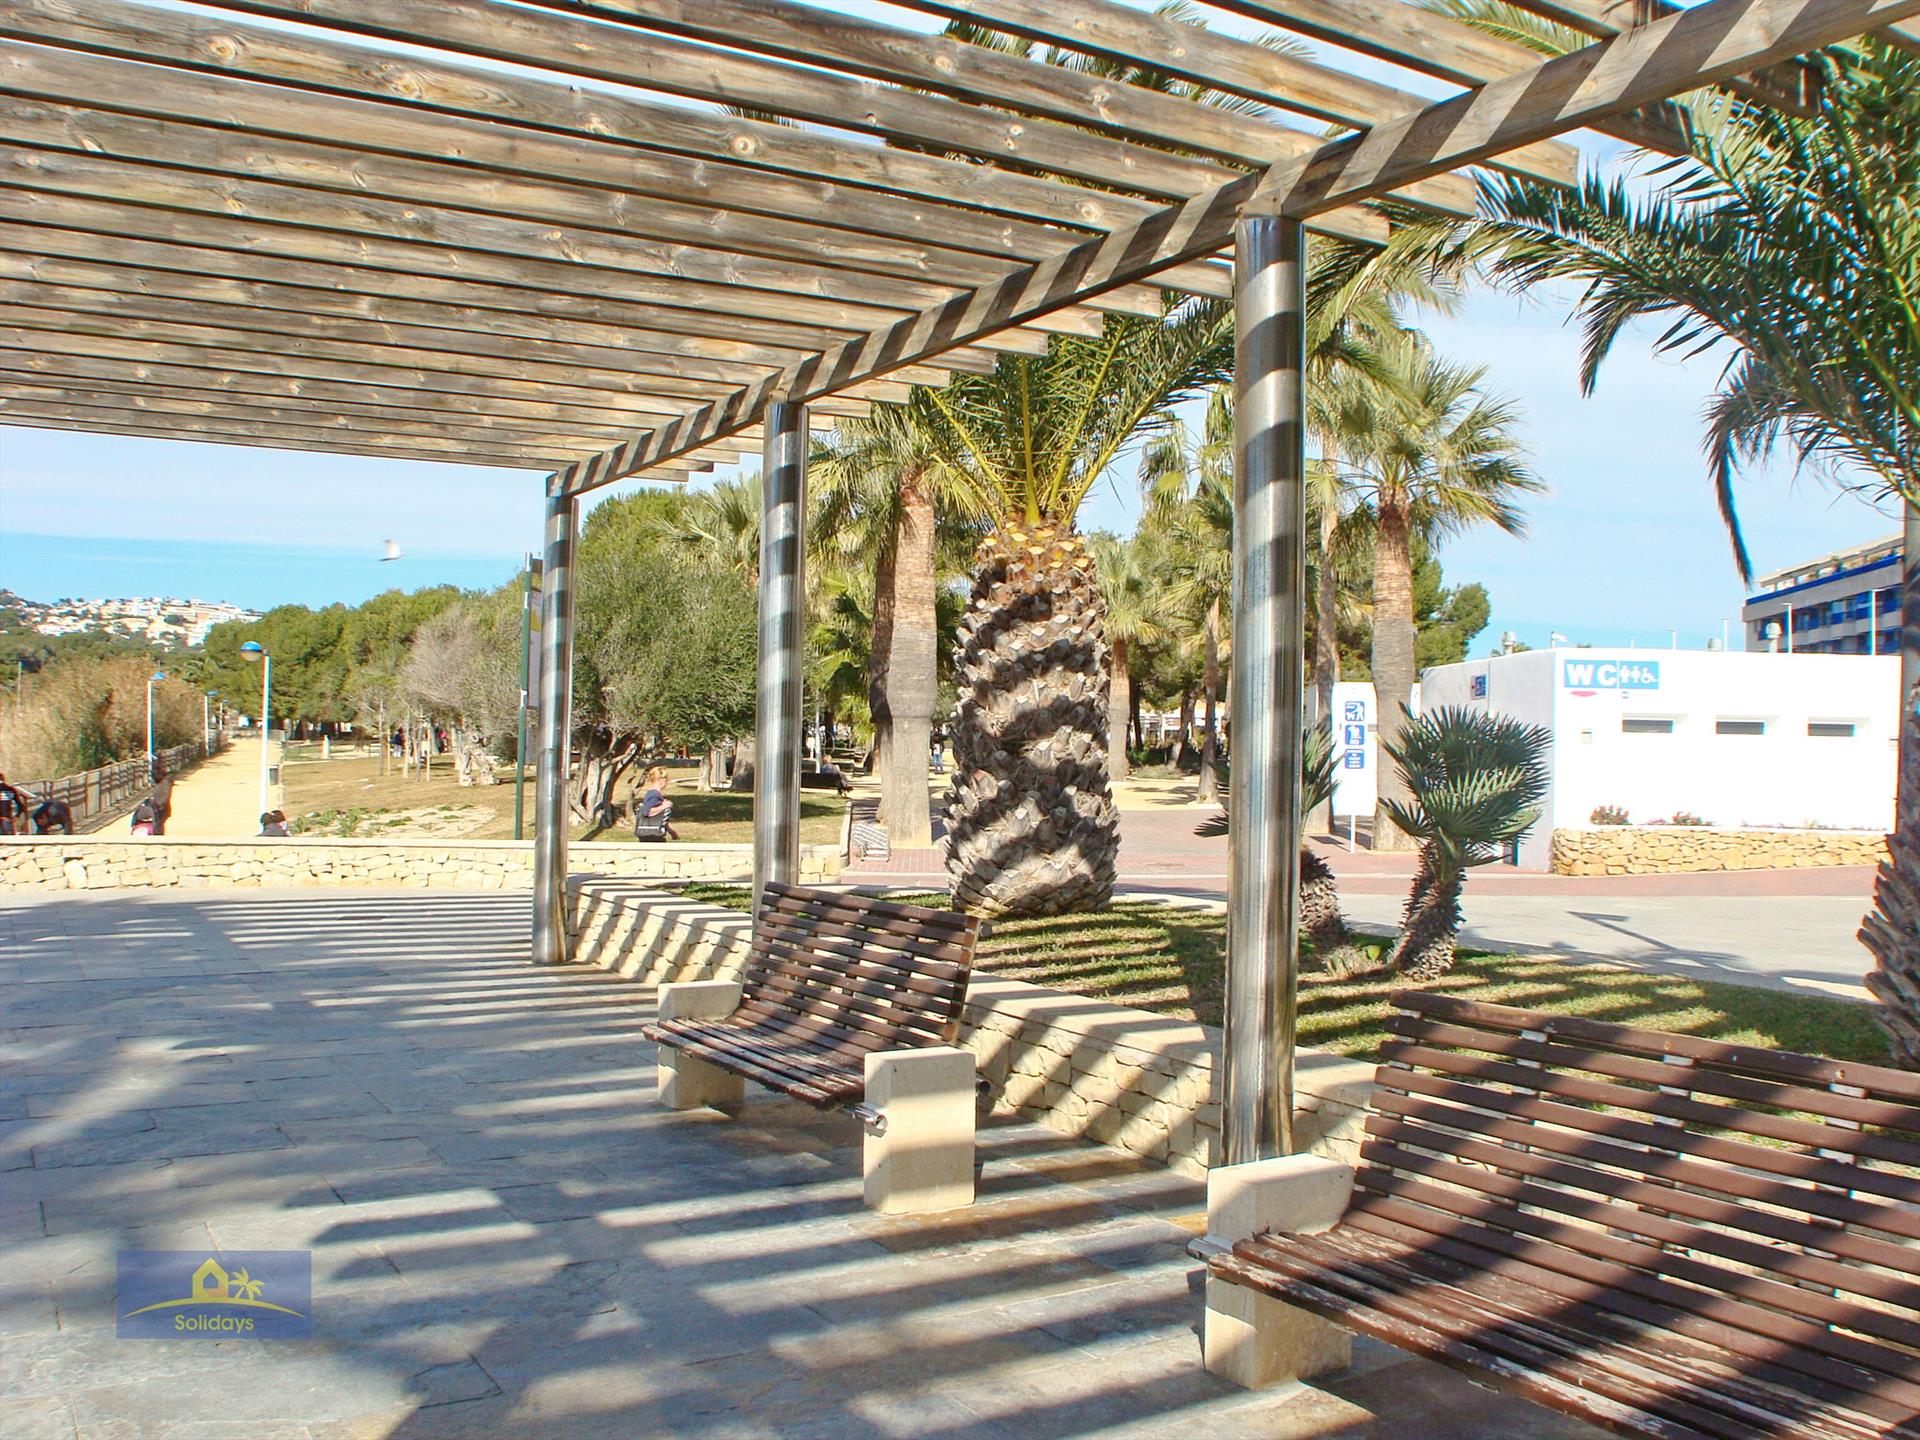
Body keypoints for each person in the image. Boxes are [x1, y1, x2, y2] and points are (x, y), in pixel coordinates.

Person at [634, 765, 678, 841]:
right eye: (666, 779)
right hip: (652, 837)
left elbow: (658, 817)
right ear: (660, 779)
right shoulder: (654, 794)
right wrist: (664, 806)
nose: (666, 781)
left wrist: (671, 831)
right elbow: (646, 812)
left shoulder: (653, 793)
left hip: (653, 835)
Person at [147, 764, 175, 838]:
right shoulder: (162, 782)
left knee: (158, 824)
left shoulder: (165, 783)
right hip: (157, 806)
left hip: (161, 807)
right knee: (158, 824)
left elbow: (166, 795)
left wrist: (160, 804)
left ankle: (158, 837)